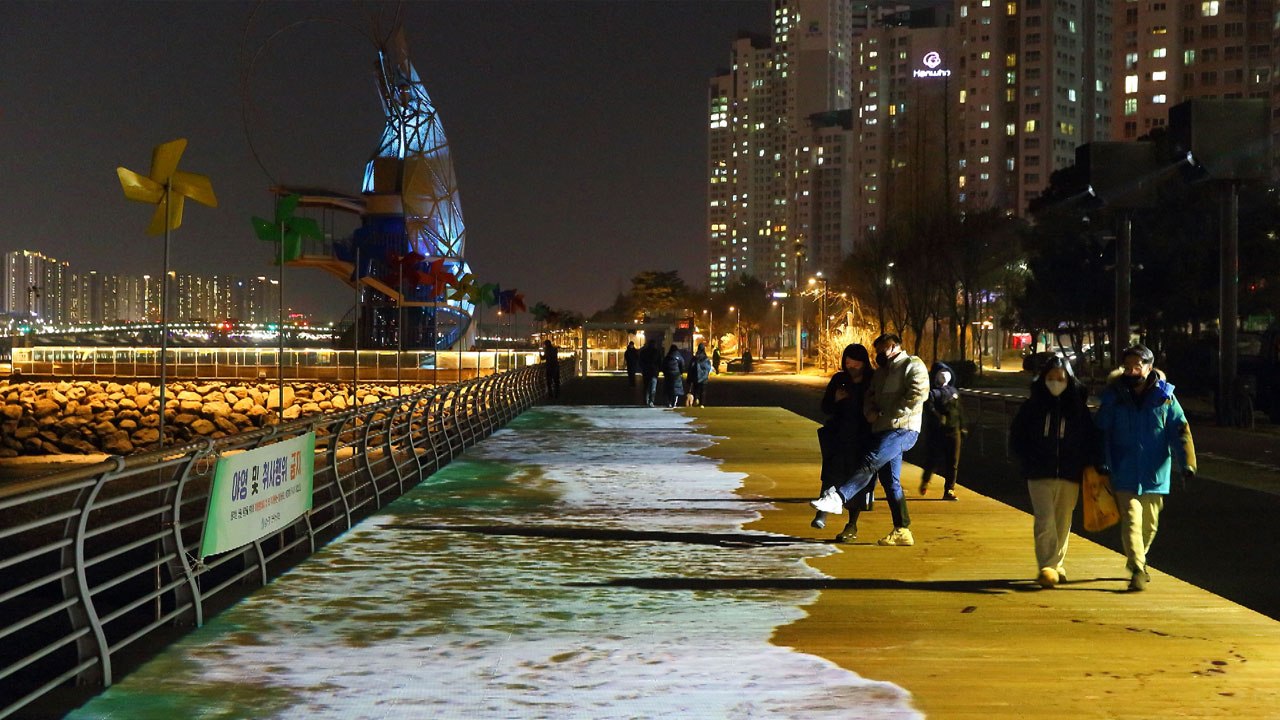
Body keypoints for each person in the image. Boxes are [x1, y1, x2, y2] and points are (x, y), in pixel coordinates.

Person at [810, 333, 928, 546]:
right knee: (891, 482)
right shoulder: (881, 373)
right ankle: (902, 529)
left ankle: (839, 498)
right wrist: (871, 413)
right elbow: (870, 397)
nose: (878, 356)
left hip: (903, 429)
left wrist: (890, 413)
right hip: (881, 430)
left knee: (870, 461)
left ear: (893, 347)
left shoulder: (913, 364)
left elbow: (918, 394)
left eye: (881, 350)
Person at [1095, 344, 1196, 591]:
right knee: (1131, 520)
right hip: (1123, 470)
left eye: (1137, 367)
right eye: (1127, 367)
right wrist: (1102, 460)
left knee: (1149, 525)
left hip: (1155, 474)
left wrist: (1187, 463)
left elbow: (1180, 431)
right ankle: (1138, 569)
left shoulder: (1165, 397)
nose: (1131, 372)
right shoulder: (1113, 397)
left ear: (1149, 368)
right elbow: (1101, 431)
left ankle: (1139, 558)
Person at [1010, 355, 1097, 588]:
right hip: (1039, 472)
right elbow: (1018, 437)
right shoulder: (1032, 407)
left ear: (1069, 380)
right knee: (1044, 519)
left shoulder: (1079, 410)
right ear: (1042, 379)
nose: (1055, 382)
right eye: (1050, 378)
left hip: (1070, 473)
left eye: (1060, 378)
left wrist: (1089, 462)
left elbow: (1089, 439)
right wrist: (1026, 459)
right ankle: (1047, 566)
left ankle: (1057, 563)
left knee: (1063, 520)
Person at [813, 343, 875, 539]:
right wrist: (836, 400)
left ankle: (852, 525)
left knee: (857, 481)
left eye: (855, 362)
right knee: (831, 474)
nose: (851, 366)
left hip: (863, 438)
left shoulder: (872, 382)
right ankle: (822, 513)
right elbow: (825, 408)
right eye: (848, 362)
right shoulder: (839, 379)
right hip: (839, 436)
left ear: (863, 362)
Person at [918, 361, 964, 501]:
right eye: (941, 374)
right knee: (932, 459)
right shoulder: (931, 393)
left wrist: (962, 426)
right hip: (937, 433)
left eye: (946, 373)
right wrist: (939, 418)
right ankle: (926, 480)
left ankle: (949, 489)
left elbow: (959, 411)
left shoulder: (954, 392)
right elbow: (929, 409)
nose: (944, 376)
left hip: (954, 431)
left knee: (953, 462)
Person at [638, 338, 662, 407]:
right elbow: (660, 362)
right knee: (653, 388)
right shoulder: (657, 352)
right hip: (654, 372)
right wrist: (659, 369)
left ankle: (646, 400)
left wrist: (642, 368)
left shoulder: (644, 352)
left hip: (646, 372)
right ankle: (651, 401)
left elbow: (640, 361)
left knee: (646, 387)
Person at [661, 344, 686, 408]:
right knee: (676, 389)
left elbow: (663, 365)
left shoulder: (667, 356)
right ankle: (674, 403)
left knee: (669, 389)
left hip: (668, 375)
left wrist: (665, 373)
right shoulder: (679, 356)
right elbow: (682, 365)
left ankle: (669, 402)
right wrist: (681, 372)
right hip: (676, 375)